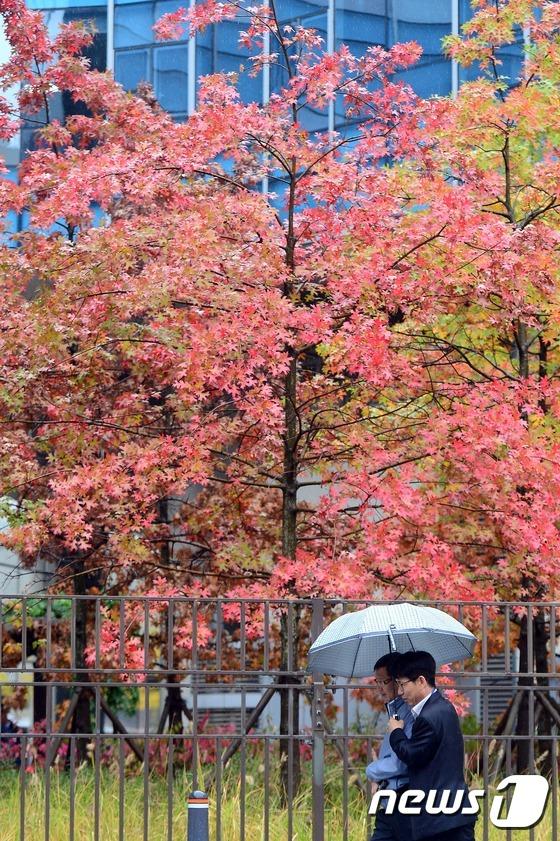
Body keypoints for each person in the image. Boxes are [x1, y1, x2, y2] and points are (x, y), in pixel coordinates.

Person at [387, 651, 477, 841]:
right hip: (451, 814)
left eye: (402, 685)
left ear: (421, 680)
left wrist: (396, 732)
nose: (400, 692)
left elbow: (412, 754)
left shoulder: (428, 717)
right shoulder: (442, 706)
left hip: (441, 819)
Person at [366, 652, 414, 841]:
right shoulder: (394, 711)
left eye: (384, 682)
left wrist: (372, 771)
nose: (380, 688)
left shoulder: (408, 713)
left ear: (397, 680)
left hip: (403, 798)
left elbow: (402, 761)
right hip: (389, 800)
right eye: (377, 682)